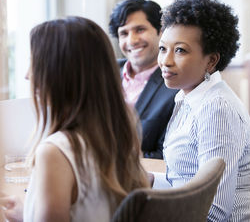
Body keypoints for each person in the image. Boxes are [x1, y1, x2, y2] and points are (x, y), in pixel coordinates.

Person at [0, 17, 149, 222]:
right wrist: (28, 214)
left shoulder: (55, 152)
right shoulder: (121, 128)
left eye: (33, 63)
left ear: (58, 73)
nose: (27, 75)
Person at [157, 0, 250, 221]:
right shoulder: (190, 97)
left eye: (180, 50)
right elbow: (185, 180)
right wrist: (151, 182)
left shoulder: (217, 109)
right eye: (163, 48)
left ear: (211, 61)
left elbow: (214, 210)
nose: (166, 61)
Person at [109, 0, 178, 159]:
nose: (131, 40)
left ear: (161, 31)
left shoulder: (175, 83)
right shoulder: (104, 73)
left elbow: (166, 156)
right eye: (124, 33)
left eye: (140, 30)